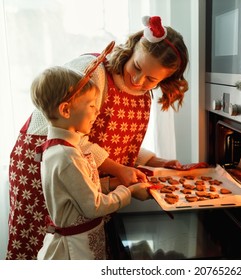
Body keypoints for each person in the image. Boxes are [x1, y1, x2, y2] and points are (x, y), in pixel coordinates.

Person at [6, 15, 189, 259]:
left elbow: (119, 142)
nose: (138, 80)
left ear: (165, 80)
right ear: (132, 48)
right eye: (136, 67)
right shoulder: (93, 72)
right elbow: (70, 137)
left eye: (151, 79)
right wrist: (118, 170)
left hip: (82, 173)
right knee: (43, 249)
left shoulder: (142, 95)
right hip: (43, 165)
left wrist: (157, 161)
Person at [31, 65, 151, 260]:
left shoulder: (63, 148)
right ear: (66, 110)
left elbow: (79, 190)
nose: (97, 112)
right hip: (75, 250)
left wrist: (115, 183)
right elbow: (93, 206)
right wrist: (128, 192)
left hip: (81, 242)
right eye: (91, 105)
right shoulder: (67, 156)